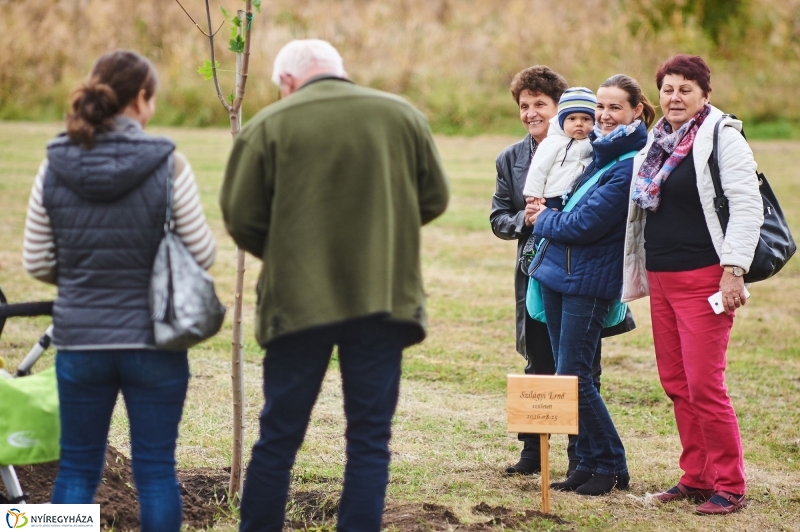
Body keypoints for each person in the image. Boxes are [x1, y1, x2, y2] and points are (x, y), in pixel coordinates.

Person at [219, 39, 449, 532]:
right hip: (383, 299)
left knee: (278, 437)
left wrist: (291, 252)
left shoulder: (267, 126)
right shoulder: (403, 116)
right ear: (339, 71)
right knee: (370, 438)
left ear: (286, 81)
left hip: (298, 302)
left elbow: (241, 218)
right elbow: (433, 198)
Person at [22, 50, 216, 531]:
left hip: (81, 341)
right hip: (155, 342)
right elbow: (203, 255)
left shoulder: (54, 164)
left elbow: (37, 260)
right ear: (141, 98)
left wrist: (87, 277)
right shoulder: (169, 164)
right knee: (156, 472)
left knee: (75, 471)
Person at [622, 54, 762, 515]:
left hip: (706, 278)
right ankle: (697, 476)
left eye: (685, 88)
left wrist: (734, 269)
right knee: (676, 382)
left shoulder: (722, 136)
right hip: (661, 277)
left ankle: (730, 483)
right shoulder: (657, 141)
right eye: (667, 88)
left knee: (705, 384)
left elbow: (746, 204)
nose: (675, 97)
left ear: (705, 94)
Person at [490, 66, 634, 478]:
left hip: (580, 270)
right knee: (538, 360)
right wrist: (528, 220)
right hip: (534, 269)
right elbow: (499, 217)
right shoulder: (512, 159)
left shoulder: (591, 150)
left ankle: (580, 457)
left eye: (540, 105)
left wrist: (552, 218)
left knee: (581, 367)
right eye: (524, 106)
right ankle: (534, 452)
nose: (531, 113)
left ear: (562, 110)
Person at [526, 74, 655, 495]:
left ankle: (613, 466)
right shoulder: (597, 151)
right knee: (573, 379)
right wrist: (548, 214)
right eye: (600, 106)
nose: (603, 115)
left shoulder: (630, 161)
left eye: (615, 107)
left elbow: (583, 223)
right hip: (560, 274)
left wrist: (540, 219)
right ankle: (585, 462)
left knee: (575, 376)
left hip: (588, 279)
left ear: (637, 110)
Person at [523, 87, 596, 209]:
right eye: (572, 119)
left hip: (580, 197)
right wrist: (534, 195)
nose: (579, 123)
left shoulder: (594, 143)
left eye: (586, 119)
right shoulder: (553, 142)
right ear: (562, 121)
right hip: (553, 196)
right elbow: (538, 169)